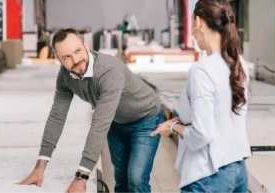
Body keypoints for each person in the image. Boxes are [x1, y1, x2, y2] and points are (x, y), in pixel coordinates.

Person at [17, 28, 166, 193]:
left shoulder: (108, 71)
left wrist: (82, 177)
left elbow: (100, 124)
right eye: (67, 57)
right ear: (58, 59)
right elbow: (57, 117)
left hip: (146, 118)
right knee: (122, 180)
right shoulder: (65, 76)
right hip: (117, 122)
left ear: (86, 46)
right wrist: (40, 166)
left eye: (78, 51)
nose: (75, 60)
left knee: (136, 179)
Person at [151, 0, 251, 192]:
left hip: (208, 173)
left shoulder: (201, 71)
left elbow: (201, 135)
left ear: (198, 22)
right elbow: (222, 115)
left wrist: (173, 127)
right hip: (238, 169)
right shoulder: (239, 64)